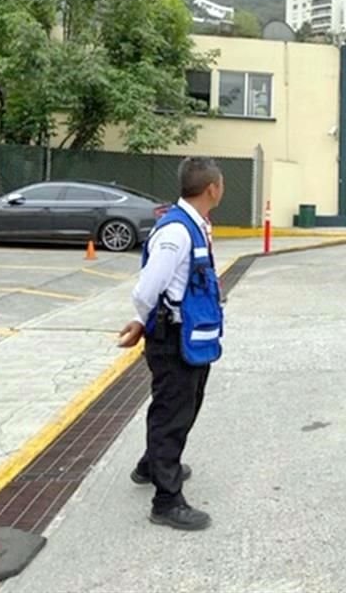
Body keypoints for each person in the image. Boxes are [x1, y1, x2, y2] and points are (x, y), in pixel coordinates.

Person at [118, 156, 225, 531]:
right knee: (172, 413)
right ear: (213, 188)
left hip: (190, 336)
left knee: (184, 403)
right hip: (173, 338)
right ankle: (167, 500)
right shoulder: (177, 232)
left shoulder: (196, 225)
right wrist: (140, 319)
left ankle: (152, 464)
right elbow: (147, 287)